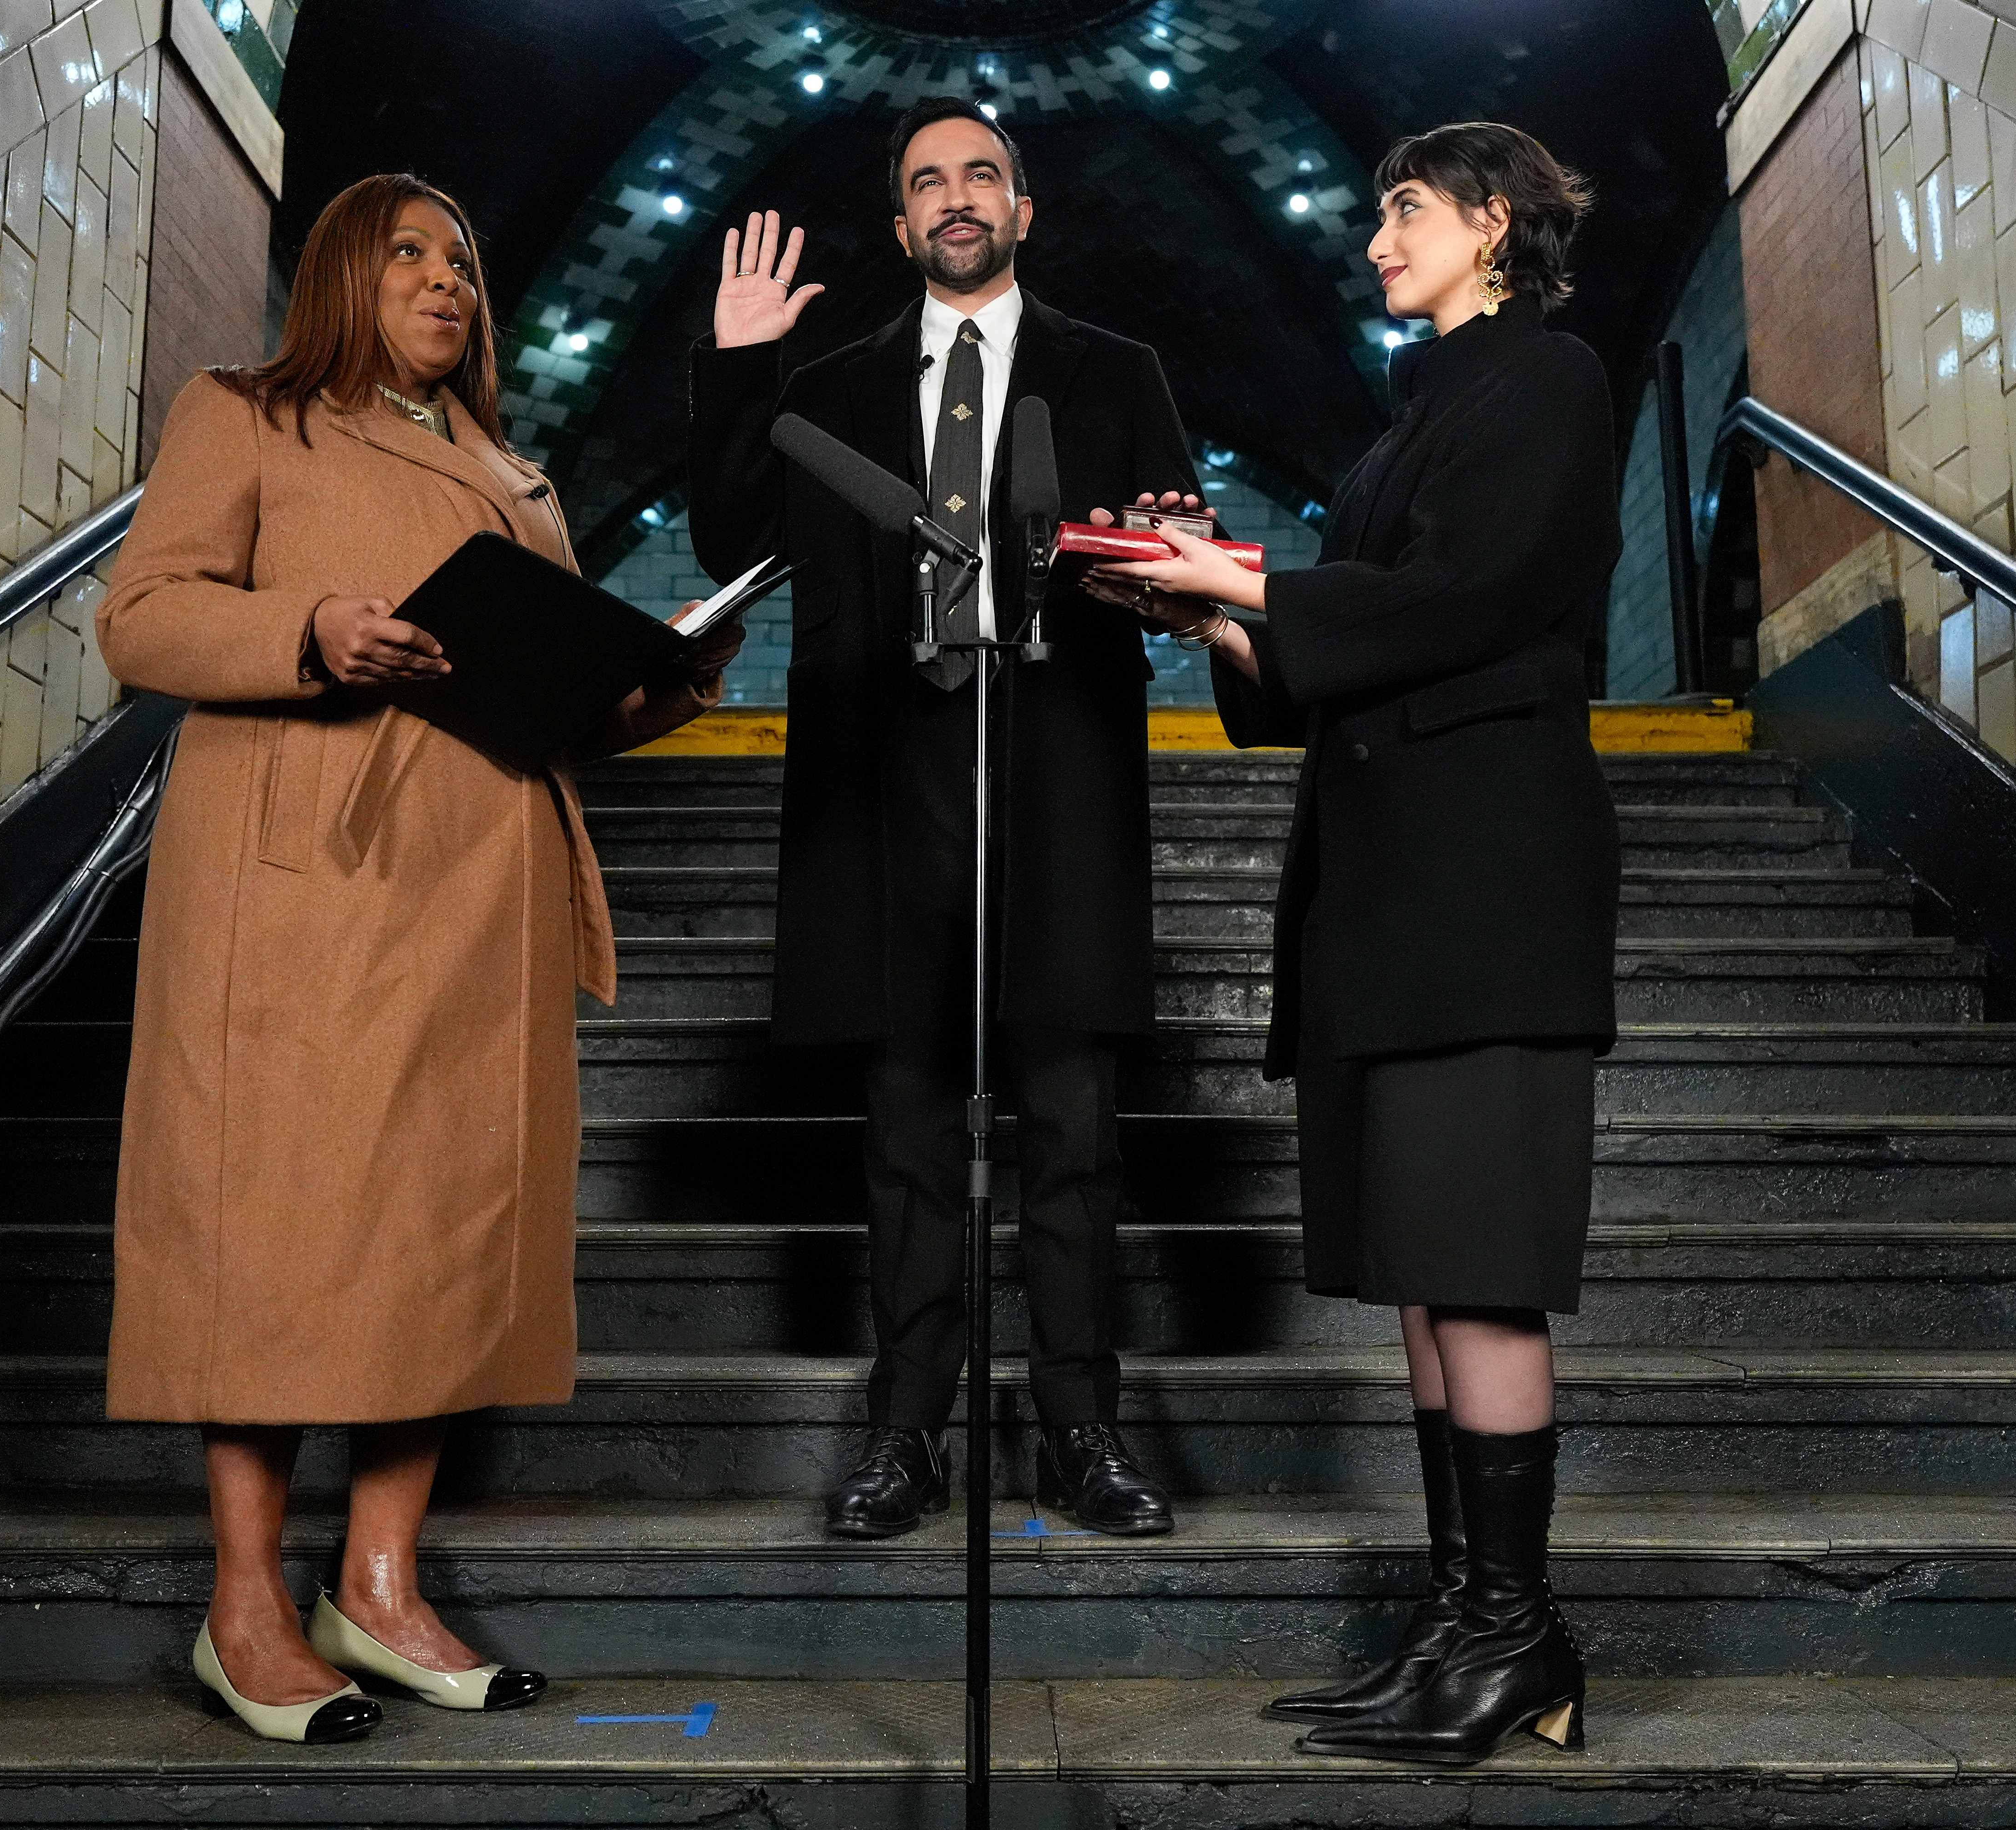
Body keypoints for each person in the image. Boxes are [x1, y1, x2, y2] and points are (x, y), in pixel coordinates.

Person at [98, 172, 738, 1744]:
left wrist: (657, 687)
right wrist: (309, 626)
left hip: (487, 891)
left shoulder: (513, 472)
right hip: (311, 883)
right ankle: (244, 1606)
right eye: (411, 255)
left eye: (464, 259)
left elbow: (554, 683)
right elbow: (144, 615)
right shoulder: (247, 411)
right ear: (340, 273)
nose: (450, 281)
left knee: (445, 1230)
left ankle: (377, 1584)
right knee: (279, 1227)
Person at [1089, 121, 1619, 1767]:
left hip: (1483, 885)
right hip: (1387, 893)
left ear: (1498, 222)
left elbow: (1465, 595)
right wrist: (1215, 617)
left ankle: (1519, 1632)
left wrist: (1250, 574)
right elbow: (1343, 641)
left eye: (1404, 207)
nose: (1374, 234)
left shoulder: (1550, 380)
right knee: (1415, 1270)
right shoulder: (1414, 415)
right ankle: (1468, 1625)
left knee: (1476, 1265)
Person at [688, 99, 1211, 1540]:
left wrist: (1172, 566)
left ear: (1025, 210)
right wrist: (738, 365)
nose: (958, 197)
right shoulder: (839, 387)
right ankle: (905, 1432)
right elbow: (734, 537)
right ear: (903, 222)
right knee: (910, 1125)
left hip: (1058, 768)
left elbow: (1181, 550)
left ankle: (1080, 1427)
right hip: (886, 774)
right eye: (929, 182)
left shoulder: (1117, 373)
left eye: (982, 173)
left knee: (1069, 1120)